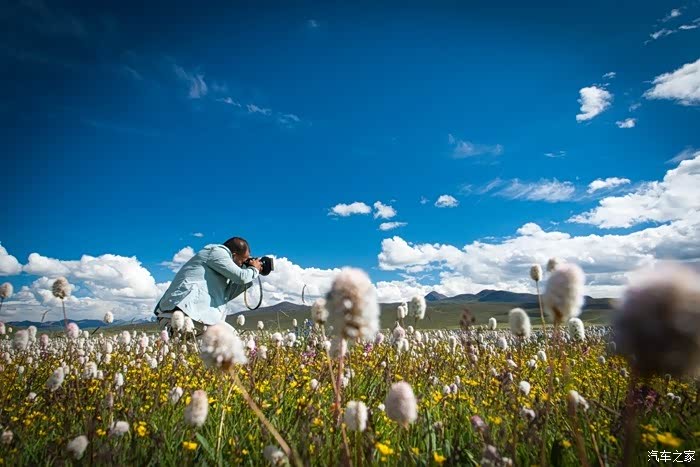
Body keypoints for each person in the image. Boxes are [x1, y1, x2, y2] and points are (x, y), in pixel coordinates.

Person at [153, 236, 263, 333]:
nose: (241, 265)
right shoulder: (217, 251)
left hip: (197, 317)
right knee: (230, 341)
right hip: (181, 315)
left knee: (231, 342)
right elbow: (241, 277)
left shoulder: (220, 274)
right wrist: (254, 269)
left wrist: (250, 271)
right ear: (233, 255)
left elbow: (229, 294)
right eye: (242, 261)